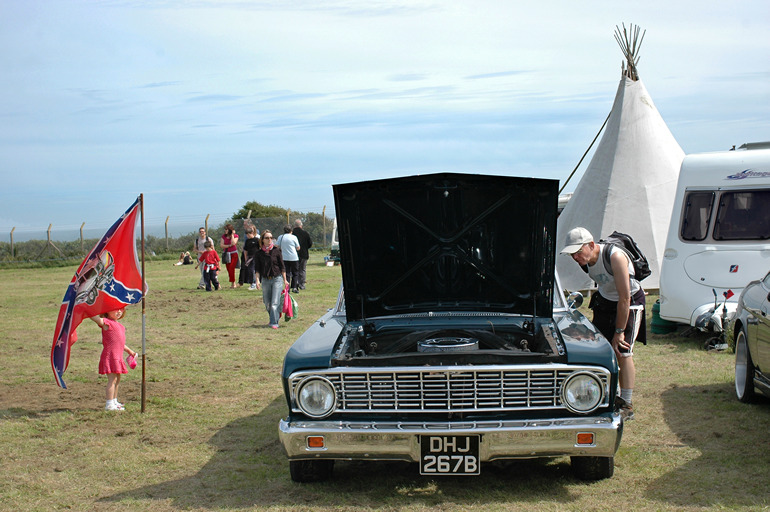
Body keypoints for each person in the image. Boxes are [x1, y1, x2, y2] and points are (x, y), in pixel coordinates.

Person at [560, 226, 645, 421]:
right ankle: (607, 396)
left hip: (629, 302)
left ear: (591, 245)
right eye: (572, 254)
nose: (575, 257)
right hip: (606, 301)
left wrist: (619, 331)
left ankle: (627, 404)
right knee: (602, 350)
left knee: (622, 351)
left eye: (578, 252)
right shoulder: (585, 261)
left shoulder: (615, 257)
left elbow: (625, 298)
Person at [89, 307, 137, 411]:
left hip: (117, 356)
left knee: (117, 379)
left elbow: (120, 342)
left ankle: (114, 400)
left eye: (121, 309)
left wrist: (130, 351)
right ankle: (109, 404)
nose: (119, 312)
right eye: (115, 309)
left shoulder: (120, 326)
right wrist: (87, 310)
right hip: (110, 356)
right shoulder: (106, 323)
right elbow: (96, 319)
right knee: (112, 379)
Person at [254, 230, 287, 329]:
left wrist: (285, 280)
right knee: (267, 303)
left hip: (277, 278)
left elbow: (282, 266)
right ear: (262, 240)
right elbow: (257, 268)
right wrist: (257, 280)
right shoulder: (259, 253)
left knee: (274, 302)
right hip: (265, 280)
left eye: (271, 238)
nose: (269, 240)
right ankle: (274, 316)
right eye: (267, 238)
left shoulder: (277, 250)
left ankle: (274, 322)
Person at [276, 225, 300, 293]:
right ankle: (294, 287)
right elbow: (298, 247)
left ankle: (287, 287)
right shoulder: (294, 237)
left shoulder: (281, 237)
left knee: (286, 273)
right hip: (294, 257)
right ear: (291, 231)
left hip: (284, 257)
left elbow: (276, 245)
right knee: (295, 273)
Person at [292, 219, 313, 290]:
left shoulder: (292, 234)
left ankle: (295, 283)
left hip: (294, 254)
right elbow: (310, 244)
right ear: (301, 225)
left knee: (295, 269)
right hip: (304, 254)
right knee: (302, 269)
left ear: (294, 226)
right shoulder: (305, 233)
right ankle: (302, 284)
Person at [220, 223, 240, 288]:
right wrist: (228, 246)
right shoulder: (223, 236)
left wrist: (232, 235)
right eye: (225, 229)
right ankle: (232, 282)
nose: (225, 231)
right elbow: (222, 245)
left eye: (227, 229)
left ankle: (233, 283)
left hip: (234, 253)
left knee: (231, 268)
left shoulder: (236, 235)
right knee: (228, 269)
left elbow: (233, 243)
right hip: (227, 254)